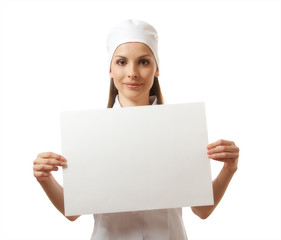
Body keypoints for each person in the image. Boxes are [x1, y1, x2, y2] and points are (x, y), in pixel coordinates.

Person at [33, 19, 240, 240]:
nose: (132, 72)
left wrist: (229, 168)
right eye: (122, 62)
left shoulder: (180, 130)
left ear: (157, 68)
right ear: (110, 69)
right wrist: (44, 178)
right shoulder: (89, 133)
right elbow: (73, 212)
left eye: (143, 62)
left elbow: (202, 210)